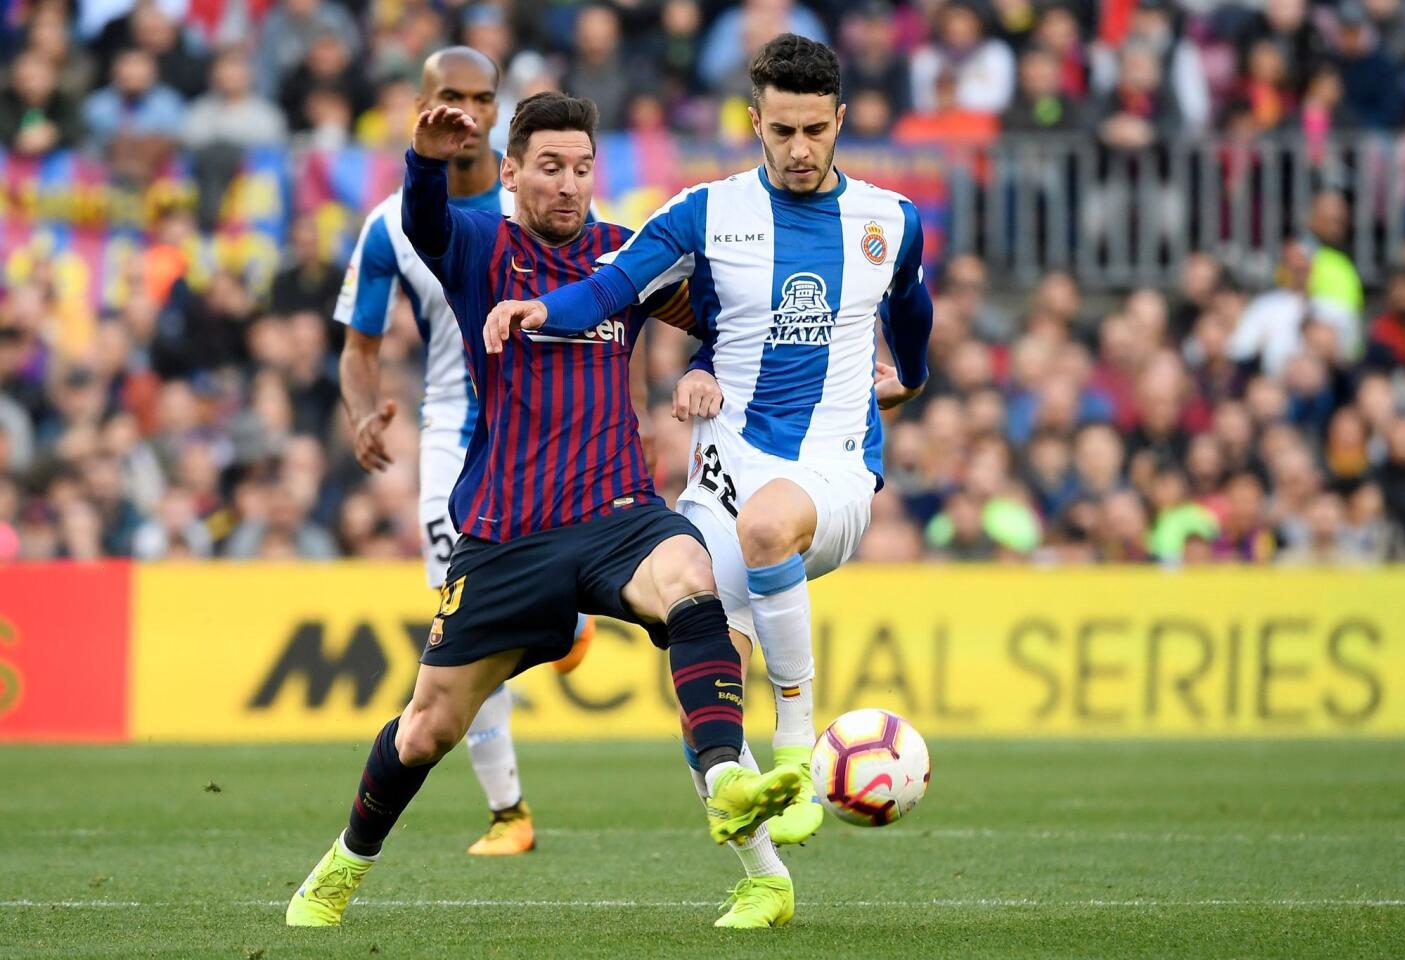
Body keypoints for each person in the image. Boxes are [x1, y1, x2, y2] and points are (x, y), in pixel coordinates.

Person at [286, 89, 803, 929]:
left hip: (617, 514)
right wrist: (424, 159)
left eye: (583, 168)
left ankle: (733, 802)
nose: (569, 184)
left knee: (691, 576)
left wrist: (703, 360)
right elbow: (425, 224)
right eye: (551, 168)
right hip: (505, 535)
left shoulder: (622, 256)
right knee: (426, 731)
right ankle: (344, 864)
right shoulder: (481, 246)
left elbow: (721, 316)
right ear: (513, 172)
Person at [484, 34, 933, 925]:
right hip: (722, 479)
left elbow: (911, 305)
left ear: (840, 121)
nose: (799, 150)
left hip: (832, 472)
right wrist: (547, 309)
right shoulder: (702, 213)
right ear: (753, 122)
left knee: (770, 527)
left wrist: (910, 375)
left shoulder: (889, 219)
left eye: (815, 131)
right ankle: (765, 878)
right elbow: (612, 288)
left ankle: (799, 752)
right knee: (706, 682)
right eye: (781, 131)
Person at [333, 48, 597, 858]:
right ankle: (508, 812)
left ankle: (566, 615)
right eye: (453, 96)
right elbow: (360, 343)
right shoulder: (393, 223)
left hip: (549, 429)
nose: (470, 113)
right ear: (420, 103)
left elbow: (614, 301)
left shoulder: (546, 196)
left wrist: (644, 408)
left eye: (484, 98)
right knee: (458, 625)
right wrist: (362, 410)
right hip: (454, 433)